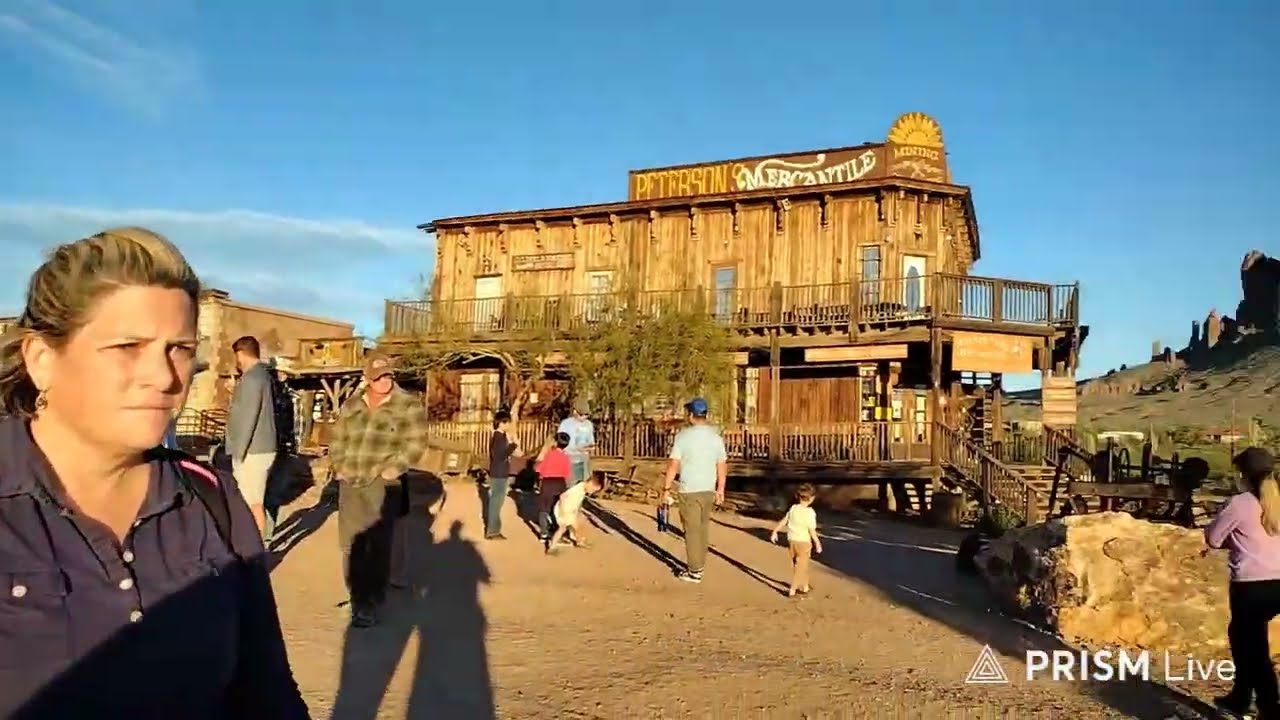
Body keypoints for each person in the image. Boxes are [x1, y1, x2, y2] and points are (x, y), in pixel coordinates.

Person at [0, 227, 307, 718]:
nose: (165, 378)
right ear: (42, 359)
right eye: (127, 346)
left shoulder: (212, 500)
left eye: (180, 349)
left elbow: (265, 689)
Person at [327, 352, 431, 628]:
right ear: (367, 379)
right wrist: (338, 465)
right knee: (350, 545)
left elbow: (416, 443)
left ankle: (370, 603)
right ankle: (356, 596)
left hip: (382, 483)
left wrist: (393, 470)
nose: (383, 381)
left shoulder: (407, 405)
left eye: (387, 376)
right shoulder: (352, 405)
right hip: (350, 480)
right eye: (378, 377)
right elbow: (337, 438)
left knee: (377, 546)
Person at [1204, 447, 1280, 720]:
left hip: (1251, 584)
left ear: (1242, 474)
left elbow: (1213, 538)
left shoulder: (1239, 503)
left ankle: (1270, 708)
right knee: (1245, 640)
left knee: (1251, 647)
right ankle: (1240, 697)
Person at [661, 397, 727, 584]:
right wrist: (720, 489)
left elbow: (674, 464)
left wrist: (666, 488)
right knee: (703, 528)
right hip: (708, 489)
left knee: (691, 530)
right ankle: (700, 563)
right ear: (705, 415)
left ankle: (694, 570)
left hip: (689, 489)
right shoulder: (716, 437)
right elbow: (721, 464)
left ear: (691, 415)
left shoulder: (683, 437)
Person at [226, 335, 277, 540]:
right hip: (261, 446)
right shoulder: (262, 376)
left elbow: (248, 416)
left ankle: (258, 547)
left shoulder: (251, 378)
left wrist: (238, 452)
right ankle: (259, 541)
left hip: (253, 449)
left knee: (252, 501)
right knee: (255, 499)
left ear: (241, 353)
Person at [770, 483, 824, 597]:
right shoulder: (810, 512)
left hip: (792, 541)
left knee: (798, 564)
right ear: (812, 498)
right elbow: (811, 530)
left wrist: (775, 531)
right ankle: (792, 589)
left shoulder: (793, 508)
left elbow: (784, 520)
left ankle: (805, 586)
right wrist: (817, 543)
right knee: (801, 566)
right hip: (804, 542)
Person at [485, 410, 523, 540]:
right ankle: (493, 530)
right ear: (502, 423)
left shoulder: (499, 437)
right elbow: (499, 456)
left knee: (497, 501)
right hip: (499, 472)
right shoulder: (498, 437)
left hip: (499, 471)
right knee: (496, 501)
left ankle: (494, 529)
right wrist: (513, 446)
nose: (509, 426)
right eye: (507, 423)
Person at [546, 474, 605, 554]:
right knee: (562, 528)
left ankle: (579, 541)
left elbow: (577, 501)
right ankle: (552, 547)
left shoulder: (583, 491)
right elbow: (562, 496)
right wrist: (563, 510)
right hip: (562, 509)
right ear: (590, 483)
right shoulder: (578, 488)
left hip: (570, 511)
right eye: (592, 490)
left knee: (576, 527)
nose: (591, 493)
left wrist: (576, 511)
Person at [534, 432, 573, 544]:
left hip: (547, 483)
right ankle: (557, 531)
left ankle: (543, 533)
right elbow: (567, 474)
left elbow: (538, 469)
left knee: (543, 509)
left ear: (555, 442)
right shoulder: (566, 458)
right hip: (560, 483)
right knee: (557, 509)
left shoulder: (549, 454)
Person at [557, 398, 595, 488]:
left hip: (584, 458)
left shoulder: (588, 425)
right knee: (571, 486)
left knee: (583, 486)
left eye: (586, 415)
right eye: (581, 414)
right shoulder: (566, 424)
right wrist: (574, 448)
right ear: (574, 412)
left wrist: (590, 447)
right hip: (570, 458)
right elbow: (561, 441)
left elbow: (591, 440)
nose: (584, 417)